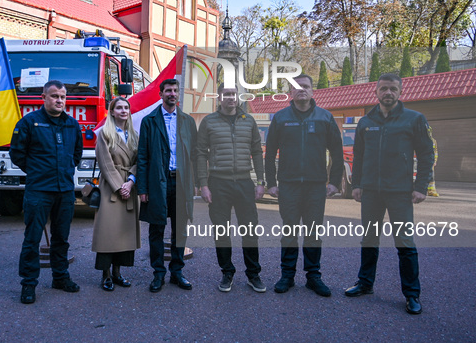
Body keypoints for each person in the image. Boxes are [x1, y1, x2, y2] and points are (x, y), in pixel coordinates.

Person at [345, 73, 433, 315]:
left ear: (400, 91)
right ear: (376, 91)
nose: (388, 93)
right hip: (371, 192)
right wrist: (357, 184)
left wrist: (421, 186)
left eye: (393, 89)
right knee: (369, 240)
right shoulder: (366, 122)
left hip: (400, 192)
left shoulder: (414, 119)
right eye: (383, 88)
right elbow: (359, 156)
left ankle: (412, 294)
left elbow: (426, 154)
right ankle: (365, 284)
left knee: (405, 244)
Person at [265, 74, 343, 297]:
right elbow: (269, 154)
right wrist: (271, 183)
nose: (302, 90)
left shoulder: (325, 118)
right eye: (297, 87)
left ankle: (313, 276)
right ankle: (287, 275)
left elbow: (337, 153)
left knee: (313, 233)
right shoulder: (280, 118)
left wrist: (335, 182)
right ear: (291, 92)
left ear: (312, 91)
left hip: (315, 186)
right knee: (289, 231)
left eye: (306, 86)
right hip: (288, 186)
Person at [9, 80, 83, 304]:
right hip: (39, 190)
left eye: (62, 97)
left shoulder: (72, 124)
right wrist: (37, 171)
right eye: (54, 96)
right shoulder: (29, 123)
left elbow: (77, 153)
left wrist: (66, 170)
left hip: (65, 190)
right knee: (32, 239)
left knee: (61, 237)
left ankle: (60, 277)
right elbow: (17, 154)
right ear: (43, 97)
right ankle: (29, 284)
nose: (59, 100)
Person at [196, 84, 266, 293]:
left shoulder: (249, 121)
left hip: (244, 182)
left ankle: (253, 274)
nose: (230, 98)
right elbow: (200, 153)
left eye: (233, 94)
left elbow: (257, 151)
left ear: (239, 97)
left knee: (250, 230)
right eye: (226, 94)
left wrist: (261, 182)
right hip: (218, 183)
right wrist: (203, 184)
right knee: (221, 231)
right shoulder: (209, 122)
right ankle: (227, 272)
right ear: (219, 97)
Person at [137, 78, 197, 293]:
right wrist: (142, 188)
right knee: (156, 229)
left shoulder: (188, 122)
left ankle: (177, 272)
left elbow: (196, 155)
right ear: (161, 94)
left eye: (175, 90)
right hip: (157, 182)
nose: (172, 93)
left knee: (180, 229)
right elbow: (142, 156)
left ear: (178, 94)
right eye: (168, 90)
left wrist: (197, 183)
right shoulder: (149, 120)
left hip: (181, 182)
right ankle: (158, 274)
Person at [91, 97, 140, 291]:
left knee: (123, 234)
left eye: (126, 107)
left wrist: (131, 182)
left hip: (130, 185)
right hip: (111, 188)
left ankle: (118, 273)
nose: (123, 110)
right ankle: (106, 275)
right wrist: (120, 187)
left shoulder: (134, 134)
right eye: (119, 107)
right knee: (108, 232)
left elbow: (139, 160)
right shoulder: (105, 134)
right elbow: (105, 163)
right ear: (112, 112)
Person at [427, 125, 439, 197]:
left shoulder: (433, 141)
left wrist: (435, 160)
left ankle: (431, 191)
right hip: (421, 161)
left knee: (431, 176)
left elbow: (435, 151)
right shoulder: (420, 140)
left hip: (430, 161)